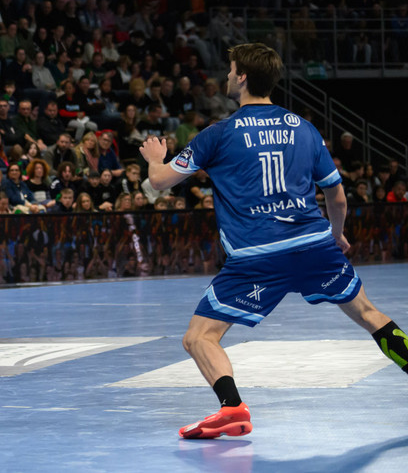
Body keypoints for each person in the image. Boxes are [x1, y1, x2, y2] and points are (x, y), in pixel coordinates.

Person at [141, 43, 408, 440]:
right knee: (369, 313)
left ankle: (232, 408)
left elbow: (159, 184)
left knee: (199, 336)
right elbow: (336, 196)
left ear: (243, 77)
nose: (228, 76)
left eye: (231, 70)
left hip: (257, 256)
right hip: (315, 245)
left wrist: (154, 157)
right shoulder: (305, 128)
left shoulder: (219, 134)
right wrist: (335, 237)